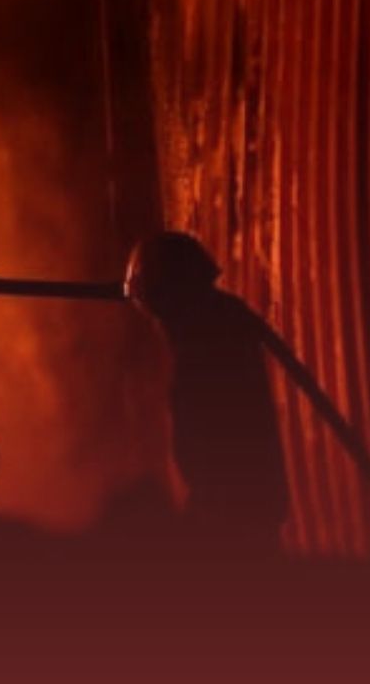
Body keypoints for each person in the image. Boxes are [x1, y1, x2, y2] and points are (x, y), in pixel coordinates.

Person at [124, 232, 291, 553]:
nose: (158, 324)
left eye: (155, 309)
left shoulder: (206, 347)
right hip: (242, 509)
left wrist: (204, 516)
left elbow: (213, 448)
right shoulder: (223, 321)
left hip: (234, 518)